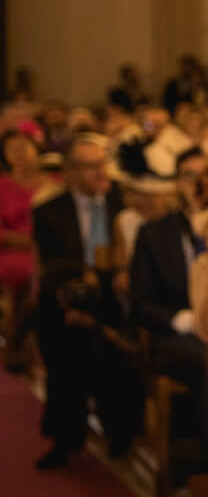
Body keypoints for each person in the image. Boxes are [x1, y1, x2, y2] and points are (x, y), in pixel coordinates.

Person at [31, 134, 137, 466]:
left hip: (116, 294)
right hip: (69, 295)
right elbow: (51, 265)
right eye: (89, 167)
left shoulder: (123, 203)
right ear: (70, 171)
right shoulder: (50, 211)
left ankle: (119, 430)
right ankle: (65, 437)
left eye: (101, 164)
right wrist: (85, 272)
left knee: (112, 340)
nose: (98, 173)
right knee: (63, 339)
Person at [128, 147, 208, 476]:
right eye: (190, 175)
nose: (199, 183)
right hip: (174, 336)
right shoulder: (155, 233)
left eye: (207, 174)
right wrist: (182, 320)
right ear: (177, 183)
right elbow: (140, 303)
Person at [0, 129, 41, 370]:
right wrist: (29, 241)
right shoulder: (2, 186)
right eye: (12, 150)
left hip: (49, 250)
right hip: (13, 250)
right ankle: (17, 338)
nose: (20, 154)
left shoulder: (54, 183)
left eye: (24, 147)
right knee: (29, 273)